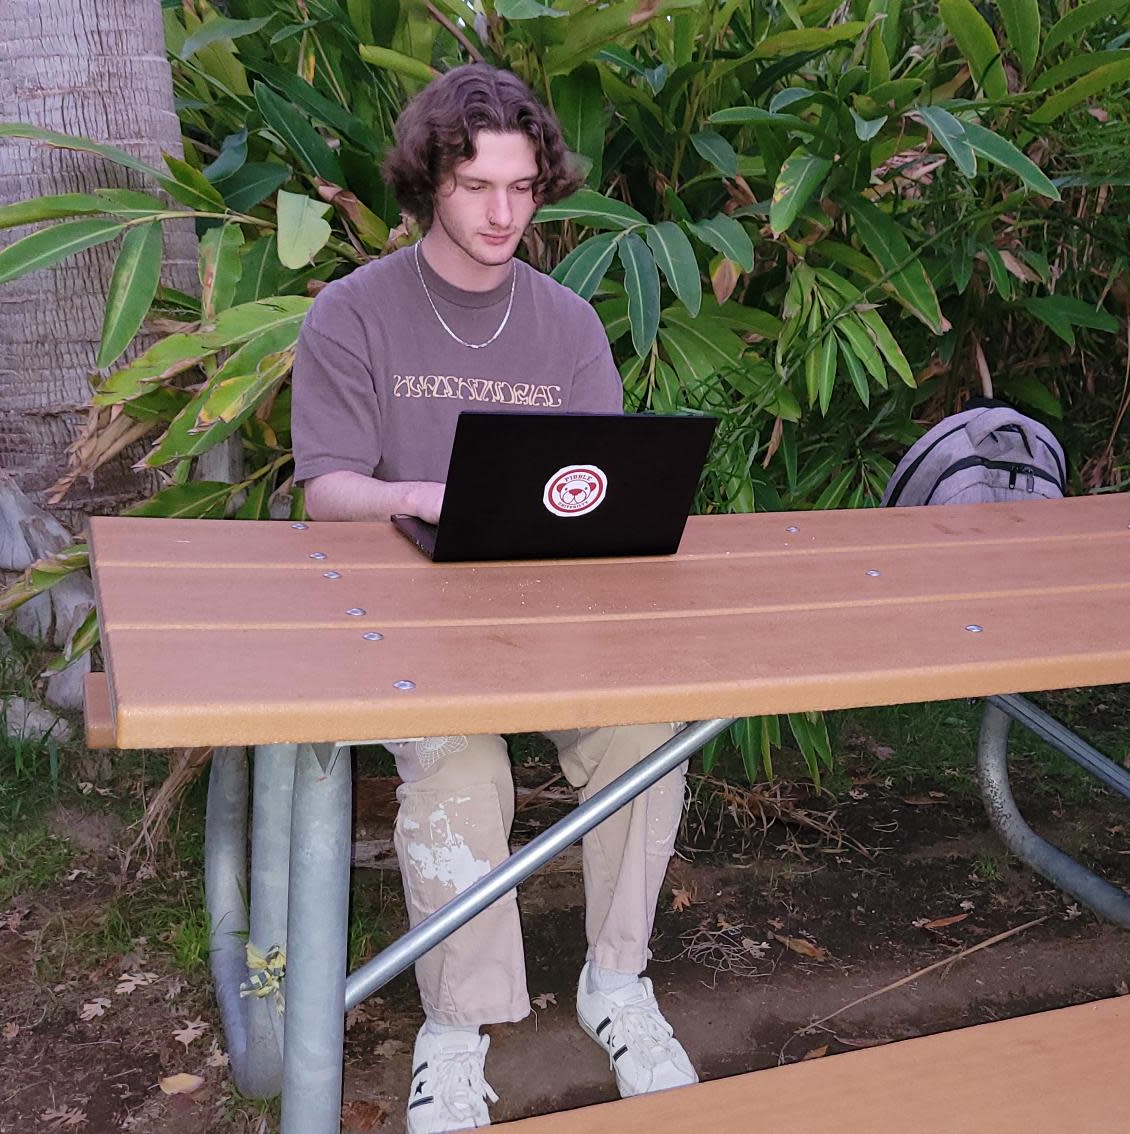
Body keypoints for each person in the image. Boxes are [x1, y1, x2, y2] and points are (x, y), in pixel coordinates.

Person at [288, 64, 697, 1132]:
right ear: (430, 182)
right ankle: (458, 1029)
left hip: (551, 617)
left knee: (647, 732)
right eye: (478, 187)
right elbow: (324, 485)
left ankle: (618, 985)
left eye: (522, 186)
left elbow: (597, 492)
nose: (505, 212)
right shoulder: (353, 314)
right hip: (409, 627)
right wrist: (418, 492)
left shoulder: (565, 325)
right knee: (461, 765)